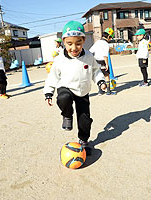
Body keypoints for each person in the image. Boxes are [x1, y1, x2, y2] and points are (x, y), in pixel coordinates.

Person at [43, 21, 106, 155]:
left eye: (78, 43)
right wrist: (48, 93)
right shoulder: (59, 59)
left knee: (85, 120)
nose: (74, 48)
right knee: (63, 98)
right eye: (69, 44)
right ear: (64, 42)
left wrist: (101, 81)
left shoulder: (89, 56)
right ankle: (67, 115)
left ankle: (83, 141)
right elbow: (52, 77)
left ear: (84, 40)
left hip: (83, 92)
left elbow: (96, 71)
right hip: (66, 87)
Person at [89, 28, 116, 95]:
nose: (110, 39)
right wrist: (107, 64)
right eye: (110, 38)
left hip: (95, 61)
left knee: (98, 75)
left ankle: (100, 91)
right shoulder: (105, 44)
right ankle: (108, 91)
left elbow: (91, 51)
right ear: (109, 36)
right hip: (102, 61)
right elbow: (105, 55)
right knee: (107, 75)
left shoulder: (97, 42)